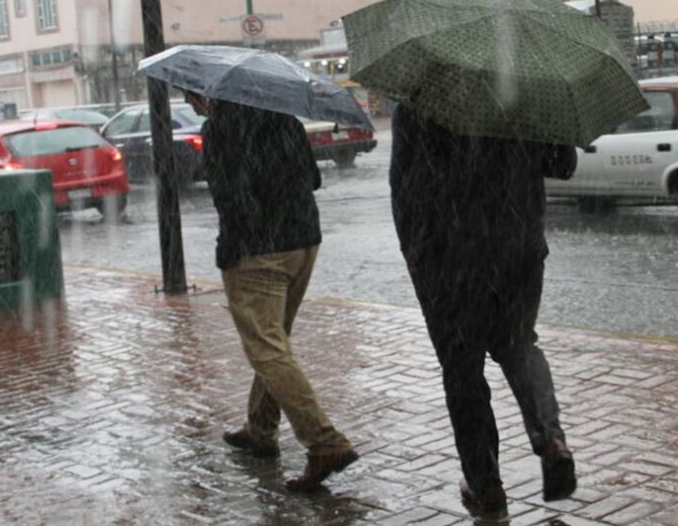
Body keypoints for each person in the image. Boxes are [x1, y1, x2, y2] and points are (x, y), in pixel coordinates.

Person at [389, 102, 578, 516]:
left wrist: (419, 255)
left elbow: (404, 189)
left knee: (462, 370)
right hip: (520, 245)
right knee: (519, 346)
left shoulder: (422, 100)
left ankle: (484, 482)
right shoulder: (528, 93)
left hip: (449, 256)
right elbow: (563, 164)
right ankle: (550, 439)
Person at [186, 92, 358, 492]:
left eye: (191, 96)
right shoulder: (284, 117)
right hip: (302, 242)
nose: (191, 103)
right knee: (275, 341)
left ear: (205, 93)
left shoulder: (219, 128)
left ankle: (324, 442)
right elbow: (313, 179)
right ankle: (260, 429)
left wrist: (239, 240)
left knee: (266, 348)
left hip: (256, 253)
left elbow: (229, 196)